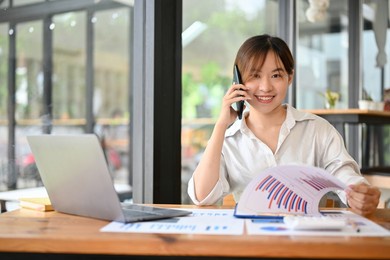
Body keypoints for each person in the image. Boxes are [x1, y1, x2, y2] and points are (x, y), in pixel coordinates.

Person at [187, 34, 381, 216]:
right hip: (251, 241)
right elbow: (202, 196)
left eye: (276, 75)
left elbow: (344, 175)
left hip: (306, 240)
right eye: (255, 76)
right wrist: (221, 125)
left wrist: (360, 194)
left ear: (290, 77)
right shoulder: (228, 140)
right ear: (238, 81)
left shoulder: (317, 129)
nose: (265, 87)